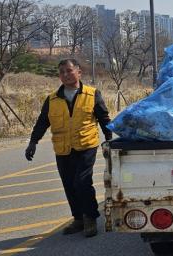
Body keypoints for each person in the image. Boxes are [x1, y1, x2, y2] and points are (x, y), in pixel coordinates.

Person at [25, 58, 113, 238]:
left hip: (86, 145)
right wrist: (33, 142)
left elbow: (104, 118)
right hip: (63, 148)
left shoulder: (92, 94)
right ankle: (78, 219)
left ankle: (90, 217)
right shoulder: (52, 99)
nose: (65, 74)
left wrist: (110, 140)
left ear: (79, 72)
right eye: (62, 72)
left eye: (69, 70)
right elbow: (42, 122)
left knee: (82, 182)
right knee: (69, 185)